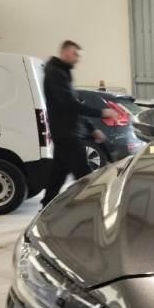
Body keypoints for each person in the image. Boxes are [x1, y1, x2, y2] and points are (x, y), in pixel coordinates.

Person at [41, 40, 116, 207]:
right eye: (75, 54)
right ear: (65, 52)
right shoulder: (55, 73)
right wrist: (102, 112)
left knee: (58, 173)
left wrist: (92, 128)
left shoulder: (63, 72)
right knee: (84, 174)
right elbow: (69, 104)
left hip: (65, 132)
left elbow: (72, 106)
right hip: (66, 133)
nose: (77, 59)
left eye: (78, 56)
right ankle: (92, 206)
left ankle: (46, 204)